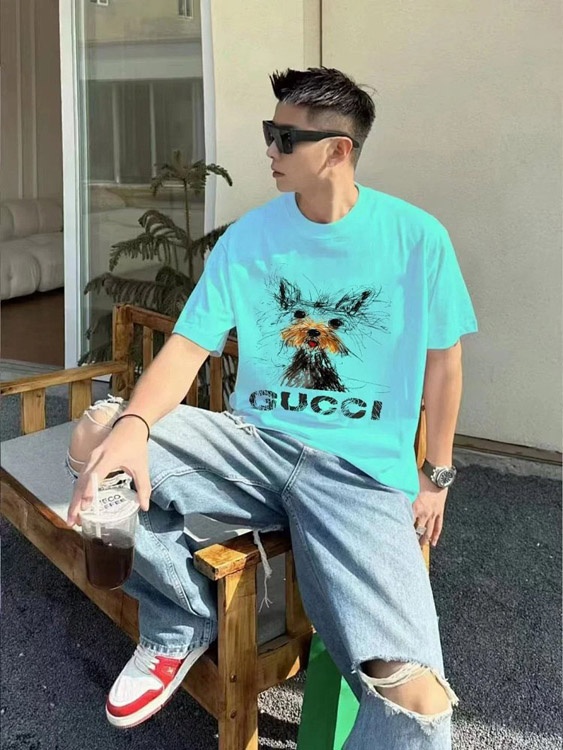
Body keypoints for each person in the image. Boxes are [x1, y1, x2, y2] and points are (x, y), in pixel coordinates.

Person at [67, 67, 477, 749]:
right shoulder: (250, 238)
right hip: (253, 445)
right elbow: (187, 348)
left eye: (285, 138)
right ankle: (178, 618)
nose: (269, 149)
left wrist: (436, 475)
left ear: (338, 150)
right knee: (98, 438)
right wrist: (135, 424)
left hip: (358, 477)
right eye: (270, 131)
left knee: (419, 703)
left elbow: (445, 366)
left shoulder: (416, 238)